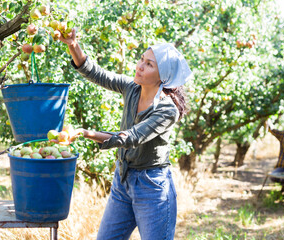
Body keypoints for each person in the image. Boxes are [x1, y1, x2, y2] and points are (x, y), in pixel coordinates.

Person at [58, 28, 193, 240]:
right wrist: (73, 45)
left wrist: (86, 133)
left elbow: (133, 137)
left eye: (149, 64)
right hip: (123, 179)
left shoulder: (167, 110)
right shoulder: (132, 87)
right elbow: (96, 73)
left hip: (152, 186)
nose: (140, 66)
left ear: (163, 77)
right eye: (142, 59)